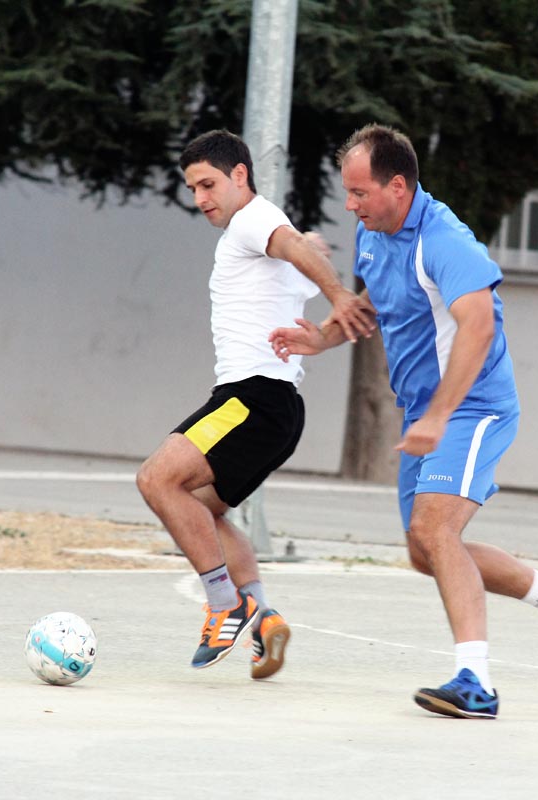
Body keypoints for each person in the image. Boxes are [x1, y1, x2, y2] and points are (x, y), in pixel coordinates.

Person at [269, 123, 538, 719]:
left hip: (473, 408)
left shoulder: (444, 240)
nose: (350, 205)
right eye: (348, 192)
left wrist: (441, 416)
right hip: (427, 413)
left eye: (359, 192)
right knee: (424, 550)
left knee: (436, 530)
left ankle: (476, 681)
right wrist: (322, 337)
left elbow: (479, 324)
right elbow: (381, 304)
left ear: (397, 187)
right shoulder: (375, 234)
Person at [136, 129, 374, 680]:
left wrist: (338, 294)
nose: (200, 198)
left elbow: (292, 246)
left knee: (156, 480)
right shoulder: (261, 231)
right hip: (276, 408)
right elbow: (295, 250)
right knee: (202, 510)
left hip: (251, 398)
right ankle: (263, 618)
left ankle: (225, 604)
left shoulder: (251, 220)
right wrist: (310, 252)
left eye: (208, 184)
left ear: (240, 175)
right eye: (193, 189)